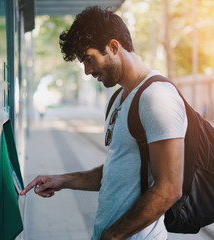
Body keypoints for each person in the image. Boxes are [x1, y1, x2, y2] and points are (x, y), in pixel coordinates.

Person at [21, 6, 187, 240]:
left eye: (89, 59)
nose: (88, 70)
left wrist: (111, 236)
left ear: (113, 47)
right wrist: (62, 180)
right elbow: (116, 171)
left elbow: (169, 189)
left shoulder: (156, 97)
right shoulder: (119, 98)